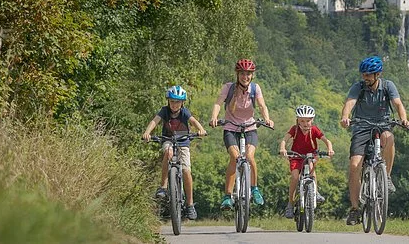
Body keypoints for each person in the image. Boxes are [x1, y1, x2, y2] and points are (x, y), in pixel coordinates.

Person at [340, 55, 409, 226]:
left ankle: (386, 176)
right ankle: (355, 209)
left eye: (368, 75)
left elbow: (398, 104)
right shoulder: (358, 87)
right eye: (363, 74)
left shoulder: (388, 86)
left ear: (377, 75)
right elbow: (349, 103)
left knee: (389, 137)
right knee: (354, 166)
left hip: (383, 124)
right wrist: (345, 117)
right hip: (361, 127)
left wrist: (404, 119)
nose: (365, 77)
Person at [209, 59, 274, 210]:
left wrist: (267, 119)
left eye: (248, 74)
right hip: (231, 128)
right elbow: (219, 103)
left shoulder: (255, 88)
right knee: (235, 157)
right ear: (237, 74)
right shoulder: (229, 88)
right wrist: (214, 117)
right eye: (243, 73)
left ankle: (254, 189)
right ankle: (227, 196)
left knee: (250, 157)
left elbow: (262, 105)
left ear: (252, 75)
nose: (245, 77)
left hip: (250, 128)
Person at [142, 85, 207, 221]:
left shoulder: (185, 112)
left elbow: (194, 121)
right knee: (168, 152)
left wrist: (201, 129)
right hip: (168, 140)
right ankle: (163, 187)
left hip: (183, 142)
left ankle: (189, 204)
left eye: (177, 102)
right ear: (168, 101)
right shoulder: (164, 111)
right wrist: (147, 132)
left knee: (186, 171)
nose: (174, 104)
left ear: (182, 103)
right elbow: (155, 121)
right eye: (172, 101)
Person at [279, 104, 334, 218]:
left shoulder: (314, 130)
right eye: (302, 121)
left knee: (311, 166)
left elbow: (327, 140)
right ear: (298, 120)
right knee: (294, 177)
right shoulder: (294, 129)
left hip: (310, 154)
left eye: (308, 121)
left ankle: (315, 192)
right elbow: (284, 140)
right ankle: (290, 203)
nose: (305, 124)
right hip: (296, 155)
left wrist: (330, 149)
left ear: (312, 120)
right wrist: (282, 148)